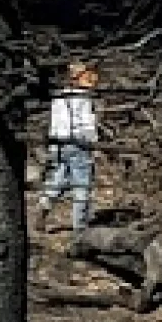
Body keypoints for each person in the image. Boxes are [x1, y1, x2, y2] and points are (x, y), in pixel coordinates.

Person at [34, 61, 100, 236]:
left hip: (58, 144)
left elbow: (54, 124)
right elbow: (87, 124)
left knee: (58, 180)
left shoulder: (59, 97)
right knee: (82, 185)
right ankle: (80, 231)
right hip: (78, 144)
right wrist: (94, 143)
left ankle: (43, 206)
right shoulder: (84, 99)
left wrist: (53, 148)